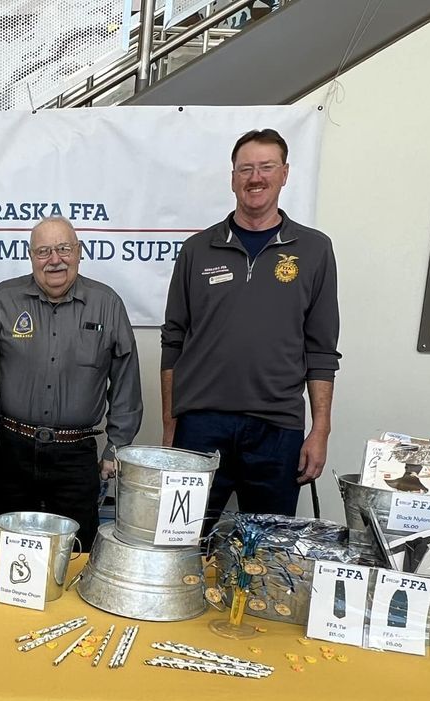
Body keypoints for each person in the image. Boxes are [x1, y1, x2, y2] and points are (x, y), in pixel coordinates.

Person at [160, 128, 339, 520]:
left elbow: (321, 350)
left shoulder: (314, 250)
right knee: (183, 543)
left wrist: (320, 430)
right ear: (232, 178)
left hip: (278, 428)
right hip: (200, 427)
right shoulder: (197, 250)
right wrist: (170, 428)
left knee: (269, 554)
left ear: (285, 173)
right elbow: (172, 341)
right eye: (245, 169)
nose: (255, 178)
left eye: (266, 167)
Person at [0, 216, 142, 551]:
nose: (54, 260)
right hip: (11, 450)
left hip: (76, 458)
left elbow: (127, 382)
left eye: (63, 249)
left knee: (76, 554)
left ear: (79, 252)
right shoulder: (2, 300)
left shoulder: (107, 303)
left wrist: (116, 447)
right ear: (30, 256)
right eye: (43, 251)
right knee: (3, 552)